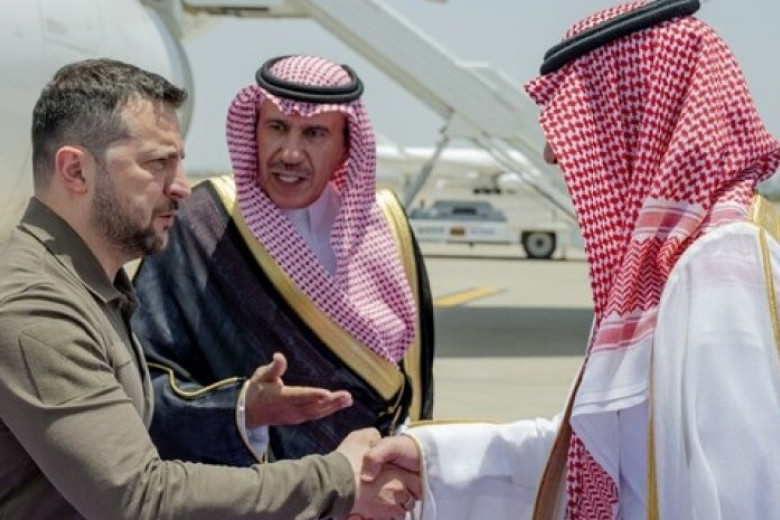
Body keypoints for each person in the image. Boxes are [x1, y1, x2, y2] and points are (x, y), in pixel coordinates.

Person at [361, 0, 780, 518]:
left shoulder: (717, 264)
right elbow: (599, 456)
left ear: (637, 118)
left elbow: (745, 496)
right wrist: (433, 458)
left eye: (581, 116)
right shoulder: (666, 269)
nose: (553, 153)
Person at [0, 57, 420, 519]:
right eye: (158, 163)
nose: (182, 187)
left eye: (315, 133)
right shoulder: (37, 309)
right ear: (76, 171)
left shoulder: (94, 290)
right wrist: (336, 479)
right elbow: (139, 498)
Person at [130, 54, 435, 465]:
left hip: (375, 482)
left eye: (314, 133)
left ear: (346, 146)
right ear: (253, 131)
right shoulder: (202, 224)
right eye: (276, 127)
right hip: (255, 488)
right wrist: (244, 409)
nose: (290, 152)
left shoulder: (388, 224)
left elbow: (413, 379)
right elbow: (143, 376)